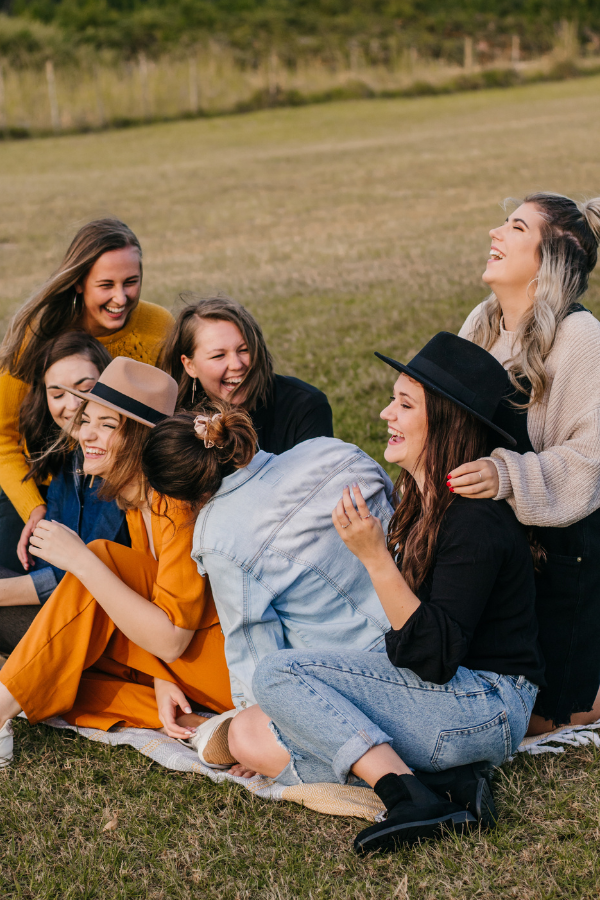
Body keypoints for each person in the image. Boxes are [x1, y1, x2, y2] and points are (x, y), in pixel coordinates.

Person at [221, 333, 545, 853]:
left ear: (445, 420)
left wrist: (374, 557)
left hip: (486, 706)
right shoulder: (420, 503)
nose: (383, 414)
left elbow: (432, 658)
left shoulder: (474, 520)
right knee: (249, 731)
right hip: (448, 700)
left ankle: (406, 796)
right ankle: (447, 786)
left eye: (404, 404)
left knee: (278, 674)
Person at [0, 357, 232, 768]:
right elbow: (153, 604)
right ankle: (199, 725)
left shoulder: (176, 504)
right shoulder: (135, 500)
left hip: (227, 664)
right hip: (184, 661)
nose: (87, 433)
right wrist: (161, 678)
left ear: (143, 441)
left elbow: (172, 638)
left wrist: (81, 561)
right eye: (87, 420)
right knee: (60, 669)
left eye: (108, 426)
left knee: (99, 558)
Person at [450, 192, 600, 734]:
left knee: (542, 718)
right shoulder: (483, 322)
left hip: (560, 551)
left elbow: (590, 461)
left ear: (550, 258)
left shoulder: (581, 337)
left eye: (515, 227)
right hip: (487, 538)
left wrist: (504, 475)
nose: (495, 232)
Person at [141, 403, 394, 717]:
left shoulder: (218, 536)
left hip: (362, 678)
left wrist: (252, 721)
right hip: (424, 619)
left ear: (181, 496)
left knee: (237, 740)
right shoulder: (330, 449)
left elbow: (255, 651)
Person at [0, 218, 173, 575]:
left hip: (125, 481)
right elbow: (2, 438)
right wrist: (35, 507)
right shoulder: (38, 337)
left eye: (131, 282)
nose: (120, 298)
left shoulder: (160, 327)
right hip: (46, 483)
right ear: (78, 283)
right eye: (105, 285)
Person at [0, 332, 130, 655]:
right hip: (65, 610)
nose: (71, 406)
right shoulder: (69, 458)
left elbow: (79, 573)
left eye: (84, 390)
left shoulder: (121, 466)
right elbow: (53, 559)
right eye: (57, 394)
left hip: (105, 632)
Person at [160, 294, 333, 454]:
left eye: (244, 350)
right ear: (190, 366)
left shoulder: (304, 406)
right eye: (218, 355)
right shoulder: (172, 422)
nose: (237, 365)